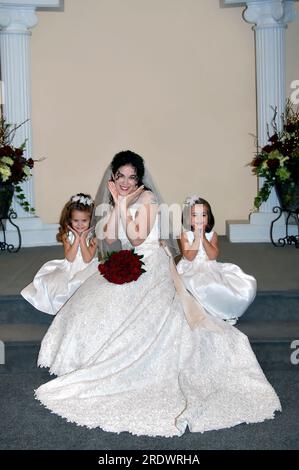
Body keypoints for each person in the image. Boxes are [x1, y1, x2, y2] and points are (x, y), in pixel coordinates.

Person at [35, 151, 281, 437]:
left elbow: (139, 238)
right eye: (120, 177)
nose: (126, 182)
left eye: (132, 177)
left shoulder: (148, 199)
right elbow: (112, 238)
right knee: (90, 301)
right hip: (129, 259)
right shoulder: (118, 197)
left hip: (151, 262)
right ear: (113, 177)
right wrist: (116, 205)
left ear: (139, 178)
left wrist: (124, 202)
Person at [177, 196, 257, 325]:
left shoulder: (212, 235)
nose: (199, 219)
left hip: (209, 266)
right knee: (193, 283)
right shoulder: (185, 235)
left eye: (203, 215)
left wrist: (203, 237)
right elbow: (189, 257)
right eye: (194, 215)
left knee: (220, 285)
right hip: (190, 267)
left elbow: (213, 255)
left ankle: (227, 311)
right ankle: (203, 311)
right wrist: (196, 239)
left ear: (208, 219)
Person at [21, 193, 98, 315]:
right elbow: (70, 258)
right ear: (69, 220)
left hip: (88, 267)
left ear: (91, 220)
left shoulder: (94, 238)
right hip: (70, 267)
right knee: (55, 285)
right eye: (75, 220)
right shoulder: (67, 236)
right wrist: (76, 239)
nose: (79, 224)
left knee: (83, 283)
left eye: (84, 220)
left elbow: (87, 259)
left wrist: (83, 239)